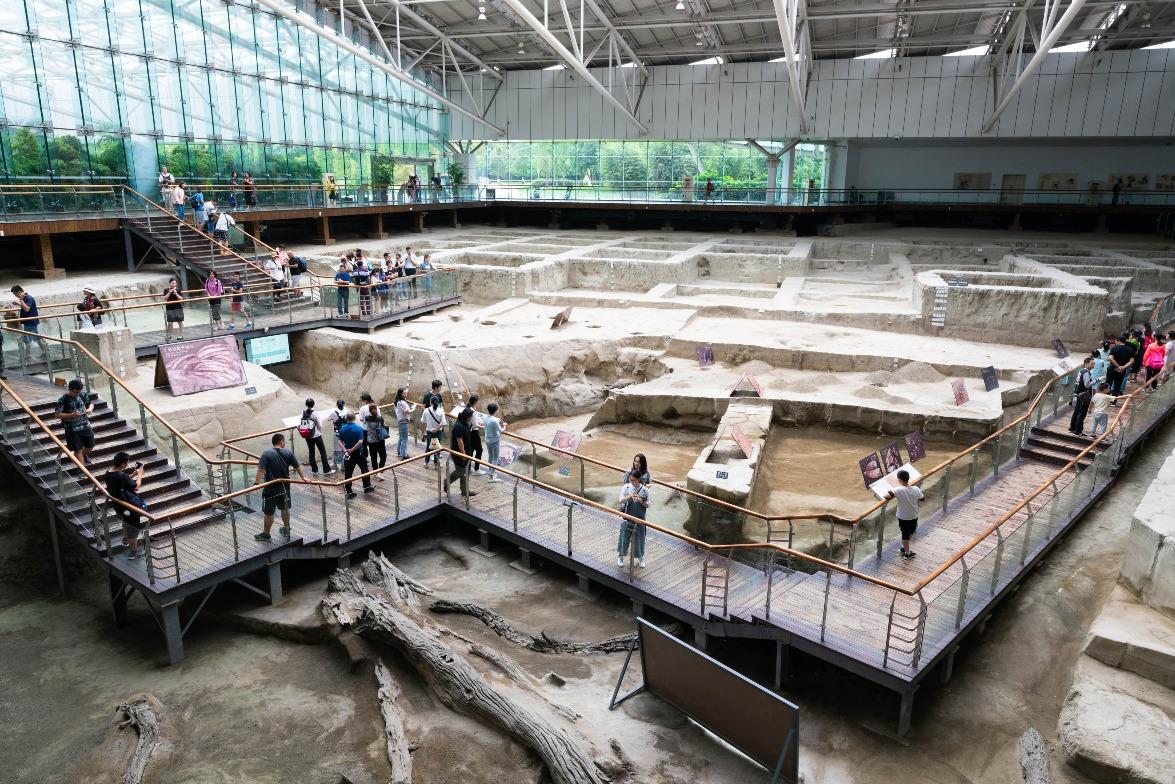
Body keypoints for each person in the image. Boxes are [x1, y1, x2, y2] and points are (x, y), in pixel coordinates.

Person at [253, 433, 306, 542]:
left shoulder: (266, 454)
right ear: (281, 441)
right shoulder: (288, 452)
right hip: (284, 487)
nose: (284, 443)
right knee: (285, 508)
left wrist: (256, 484)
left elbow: (261, 470)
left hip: (270, 488)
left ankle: (266, 534)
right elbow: (298, 466)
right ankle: (286, 528)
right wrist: (303, 478)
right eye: (284, 441)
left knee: (269, 512)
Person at [105, 452, 147, 559]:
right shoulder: (121, 475)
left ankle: (125, 540)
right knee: (133, 527)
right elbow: (136, 487)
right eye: (127, 462)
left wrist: (133, 475)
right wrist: (140, 475)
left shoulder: (108, 473)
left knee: (126, 522)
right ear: (123, 464)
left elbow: (121, 480)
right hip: (128, 506)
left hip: (119, 506)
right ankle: (133, 552)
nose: (128, 463)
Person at [56, 378, 96, 464]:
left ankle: (83, 455)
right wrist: (72, 415)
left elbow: (91, 404)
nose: (77, 394)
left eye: (79, 392)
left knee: (90, 445)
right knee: (77, 450)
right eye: (75, 392)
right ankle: (82, 470)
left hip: (85, 425)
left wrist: (89, 409)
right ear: (70, 389)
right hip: (72, 429)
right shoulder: (63, 399)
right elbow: (57, 415)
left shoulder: (82, 395)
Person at [886, 469, 924, 559]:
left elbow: (886, 496)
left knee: (905, 533)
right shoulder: (916, 489)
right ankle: (906, 551)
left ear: (899, 479)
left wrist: (891, 491)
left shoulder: (898, 490)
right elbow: (922, 498)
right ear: (908, 478)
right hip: (913, 515)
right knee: (910, 532)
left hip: (902, 516)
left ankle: (906, 551)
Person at [617, 470, 650, 568]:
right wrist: (630, 496)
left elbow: (648, 504)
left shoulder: (645, 490)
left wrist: (640, 500)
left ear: (638, 479)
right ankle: (621, 556)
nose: (631, 481)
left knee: (640, 538)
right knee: (623, 537)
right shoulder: (626, 487)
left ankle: (640, 557)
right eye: (630, 479)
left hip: (640, 518)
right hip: (627, 517)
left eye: (634, 480)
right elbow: (620, 500)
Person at [338, 412, 375, 498]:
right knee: (364, 469)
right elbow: (360, 442)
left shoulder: (342, 429)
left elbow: (339, 441)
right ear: (354, 418)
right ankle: (367, 487)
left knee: (348, 473)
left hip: (347, 453)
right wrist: (352, 449)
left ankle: (349, 492)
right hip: (358, 453)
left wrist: (345, 450)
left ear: (346, 419)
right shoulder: (359, 428)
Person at [9, 285, 48, 361]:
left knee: (29, 339)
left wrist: (20, 300)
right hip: (29, 322)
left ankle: (29, 356)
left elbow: (27, 309)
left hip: (31, 322)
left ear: (19, 292)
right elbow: (26, 307)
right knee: (36, 338)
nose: (15, 296)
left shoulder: (28, 298)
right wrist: (19, 304)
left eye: (15, 294)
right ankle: (43, 353)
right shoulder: (25, 298)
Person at [444, 408, 476, 498]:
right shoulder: (458, 426)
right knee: (461, 471)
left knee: (466, 471)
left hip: (467, 451)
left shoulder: (466, 424)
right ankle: (447, 481)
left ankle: (464, 491)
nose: (471, 418)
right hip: (459, 453)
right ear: (467, 417)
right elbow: (459, 440)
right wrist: (463, 454)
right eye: (471, 417)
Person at [298, 398, 333, 475]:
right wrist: (320, 432)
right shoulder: (315, 413)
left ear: (306, 404)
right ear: (313, 404)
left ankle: (314, 470)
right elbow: (319, 425)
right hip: (316, 435)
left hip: (308, 435)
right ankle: (327, 470)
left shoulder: (303, 412)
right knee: (322, 451)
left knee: (311, 452)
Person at [1069, 357, 1095, 436]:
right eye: (1092, 363)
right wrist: (1097, 380)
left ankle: (1072, 427)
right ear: (1086, 364)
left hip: (1078, 393)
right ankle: (1078, 431)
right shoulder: (1086, 372)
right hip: (1084, 395)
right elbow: (1087, 385)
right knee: (1082, 413)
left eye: (1094, 364)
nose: (1093, 365)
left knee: (1077, 410)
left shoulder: (1081, 371)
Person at [483, 402, 506, 481]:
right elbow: (501, 430)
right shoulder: (494, 421)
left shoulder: (485, 418)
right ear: (495, 410)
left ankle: (490, 471)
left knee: (490, 456)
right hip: (495, 440)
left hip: (487, 439)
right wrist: (505, 425)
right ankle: (492, 475)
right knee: (495, 458)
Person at [422, 394, 446, 467]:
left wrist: (424, 432)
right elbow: (443, 423)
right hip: (438, 432)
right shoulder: (441, 411)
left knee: (428, 447)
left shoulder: (426, 410)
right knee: (436, 447)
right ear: (438, 402)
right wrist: (437, 429)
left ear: (430, 402)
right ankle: (436, 464)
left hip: (429, 432)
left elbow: (423, 422)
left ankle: (426, 463)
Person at [326, 399, 349, 471]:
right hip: (346, 433)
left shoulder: (334, 413)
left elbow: (328, 419)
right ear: (343, 404)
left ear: (337, 405)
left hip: (337, 433)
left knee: (336, 449)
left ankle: (335, 464)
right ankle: (344, 465)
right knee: (345, 449)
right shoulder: (347, 412)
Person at [393, 388, 416, 460]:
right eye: (404, 393)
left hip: (400, 421)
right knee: (404, 439)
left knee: (401, 437)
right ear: (400, 394)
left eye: (406, 393)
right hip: (403, 422)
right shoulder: (402, 402)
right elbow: (408, 411)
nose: (406, 394)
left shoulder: (398, 402)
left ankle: (399, 451)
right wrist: (414, 407)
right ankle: (404, 454)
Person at [464, 394, 485, 472]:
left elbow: (473, 421)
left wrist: (480, 423)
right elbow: (475, 424)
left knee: (471, 450)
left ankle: (468, 467)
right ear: (475, 401)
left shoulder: (468, 408)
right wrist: (484, 426)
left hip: (469, 432)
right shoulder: (472, 411)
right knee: (479, 450)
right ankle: (476, 469)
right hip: (474, 432)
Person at [162, 278, 184, 342]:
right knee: (170, 323)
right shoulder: (166, 290)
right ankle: (169, 335)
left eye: (175, 283)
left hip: (178, 307)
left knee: (180, 322)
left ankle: (181, 335)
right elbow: (164, 298)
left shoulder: (178, 290)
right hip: (169, 308)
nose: (174, 284)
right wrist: (169, 292)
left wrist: (176, 293)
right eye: (172, 283)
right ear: (170, 283)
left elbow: (181, 299)